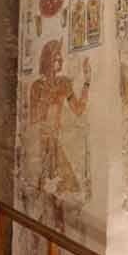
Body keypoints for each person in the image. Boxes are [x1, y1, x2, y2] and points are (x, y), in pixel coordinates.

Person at [28, 40, 90, 231]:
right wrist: (46, 100)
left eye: (60, 57)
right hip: (41, 145)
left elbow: (78, 109)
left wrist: (87, 81)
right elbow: (33, 119)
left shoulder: (64, 84)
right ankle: (40, 237)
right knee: (42, 195)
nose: (60, 61)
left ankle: (59, 233)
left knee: (61, 194)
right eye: (56, 58)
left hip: (56, 143)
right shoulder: (37, 86)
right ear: (47, 60)